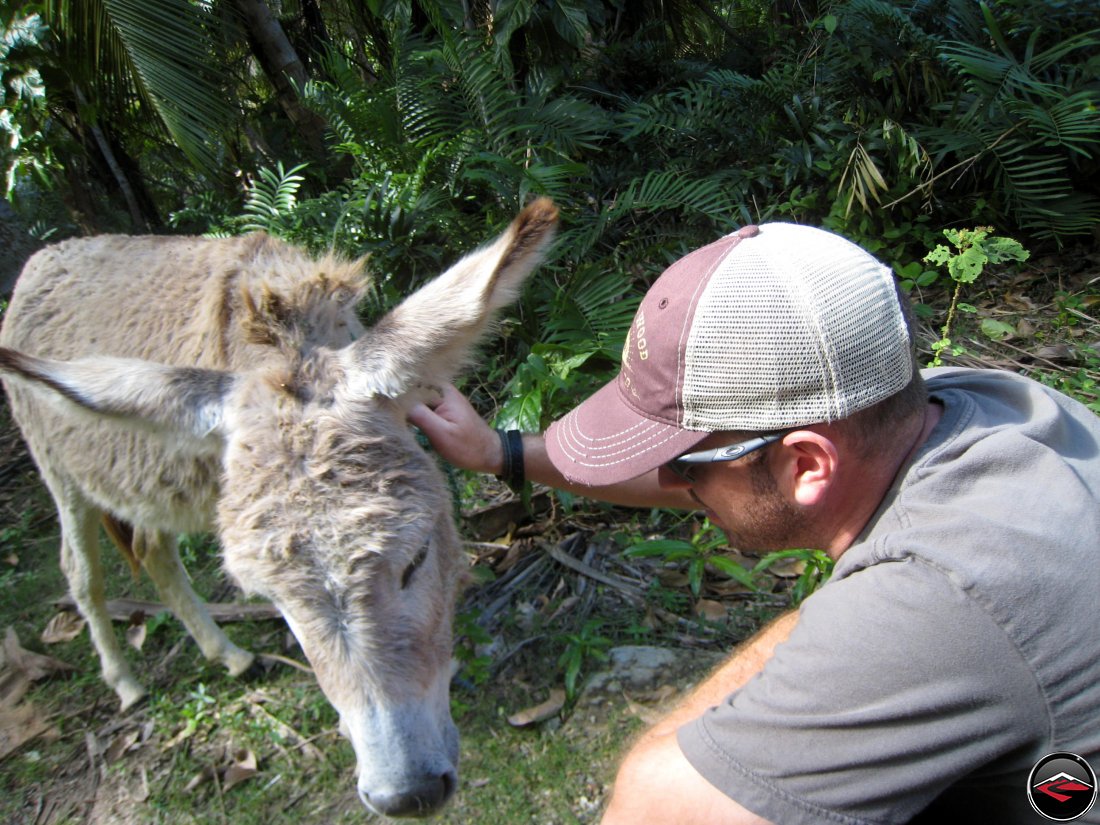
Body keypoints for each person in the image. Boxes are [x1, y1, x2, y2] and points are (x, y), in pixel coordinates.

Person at [408, 222, 1100, 824]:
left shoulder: (939, 598)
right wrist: (501, 453)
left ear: (806, 463)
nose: (675, 481)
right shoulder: (982, 407)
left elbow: (652, 808)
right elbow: (749, 486)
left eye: (687, 461)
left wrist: (813, 630)